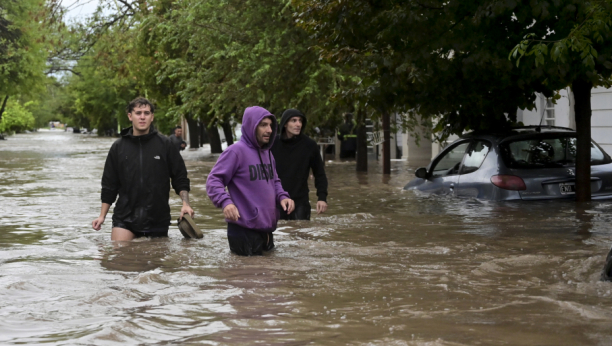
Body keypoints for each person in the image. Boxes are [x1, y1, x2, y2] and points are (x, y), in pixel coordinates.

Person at [91, 97, 193, 241]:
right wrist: (102, 216)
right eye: (138, 113)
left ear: (152, 117)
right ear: (130, 116)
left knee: (154, 261)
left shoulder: (166, 145)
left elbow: (180, 178)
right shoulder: (118, 147)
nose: (142, 117)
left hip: (157, 218)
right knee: (119, 256)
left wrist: (186, 205)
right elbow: (109, 185)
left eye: (146, 113)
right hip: (125, 218)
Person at [206, 106, 294, 256]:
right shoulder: (235, 152)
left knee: (269, 277)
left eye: (270, 125)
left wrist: (283, 196)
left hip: (265, 230)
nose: (269, 130)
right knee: (246, 277)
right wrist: (225, 202)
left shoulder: (267, 153)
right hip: (243, 231)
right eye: (263, 125)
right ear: (251, 126)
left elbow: (275, 181)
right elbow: (213, 180)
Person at [271, 109, 328, 220]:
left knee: (301, 234)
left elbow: (320, 173)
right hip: (276, 201)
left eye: (300, 121)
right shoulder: (273, 144)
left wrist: (322, 197)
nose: (298, 124)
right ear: (285, 124)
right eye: (294, 120)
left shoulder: (310, 145)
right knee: (278, 235)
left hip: (300, 202)